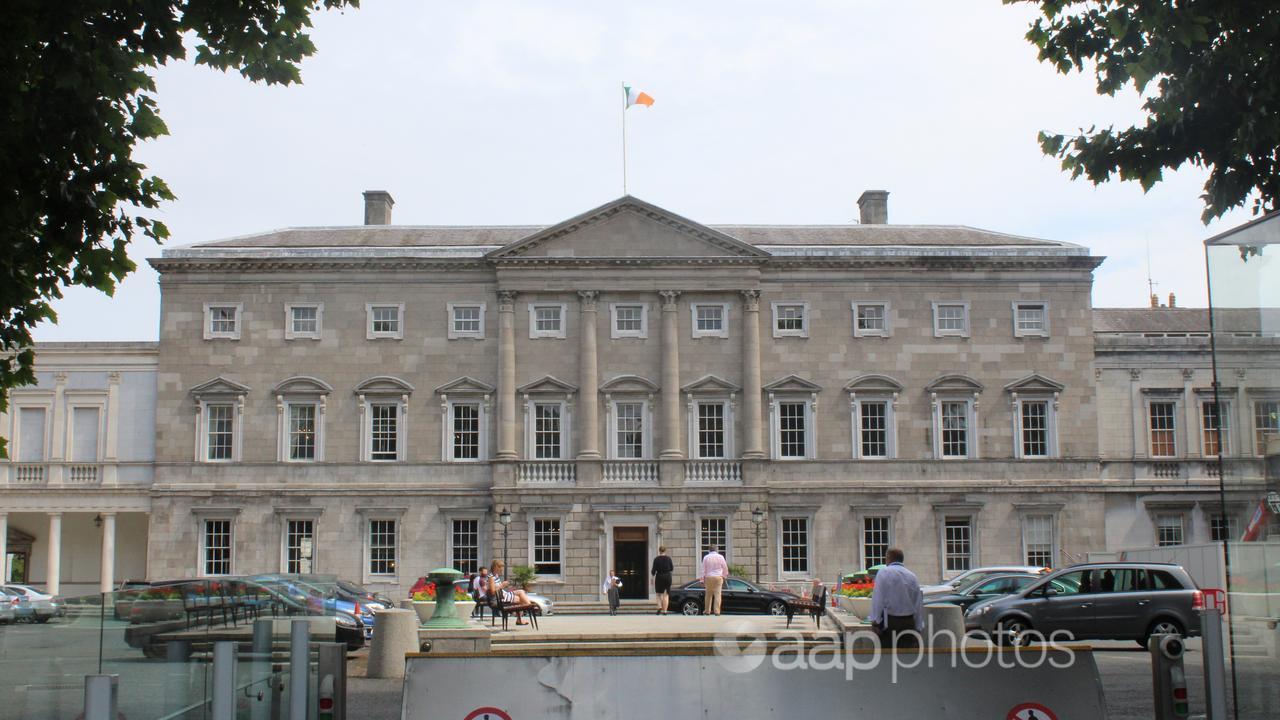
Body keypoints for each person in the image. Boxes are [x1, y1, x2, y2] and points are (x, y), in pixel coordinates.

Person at [868, 547, 924, 649]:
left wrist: (875, 621)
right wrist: (918, 627)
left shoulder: (883, 572)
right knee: (906, 658)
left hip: (890, 622)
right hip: (909, 622)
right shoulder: (912, 576)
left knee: (888, 657)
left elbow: (878, 599)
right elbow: (918, 603)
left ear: (888, 558)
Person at [488, 559, 531, 625]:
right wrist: (502, 585)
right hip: (500, 598)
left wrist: (504, 586)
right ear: (496, 567)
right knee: (520, 598)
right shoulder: (491, 577)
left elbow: (498, 587)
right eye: (500, 567)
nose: (502, 569)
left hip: (503, 595)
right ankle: (529, 607)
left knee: (521, 593)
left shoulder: (495, 576)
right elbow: (493, 592)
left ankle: (527, 608)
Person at [698, 546, 728, 616]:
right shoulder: (720, 557)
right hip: (718, 577)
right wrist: (724, 576)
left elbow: (703, 569)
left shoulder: (706, 557)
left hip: (709, 577)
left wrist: (702, 579)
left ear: (709, 550)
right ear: (716, 550)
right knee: (717, 595)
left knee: (708, 595)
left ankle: (707, 611)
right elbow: (725, 567)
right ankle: (717, 611)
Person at [651, 546, 674, 615]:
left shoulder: (656, 559)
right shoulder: (669, 558)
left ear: (659, 551)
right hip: (667, 576)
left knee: (658, 594)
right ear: (665, 551)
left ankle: (660, 606)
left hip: (659, 576)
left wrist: (652, 578)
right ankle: (665, 611)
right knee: (666, 594)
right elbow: (672, 568)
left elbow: (653, 571)